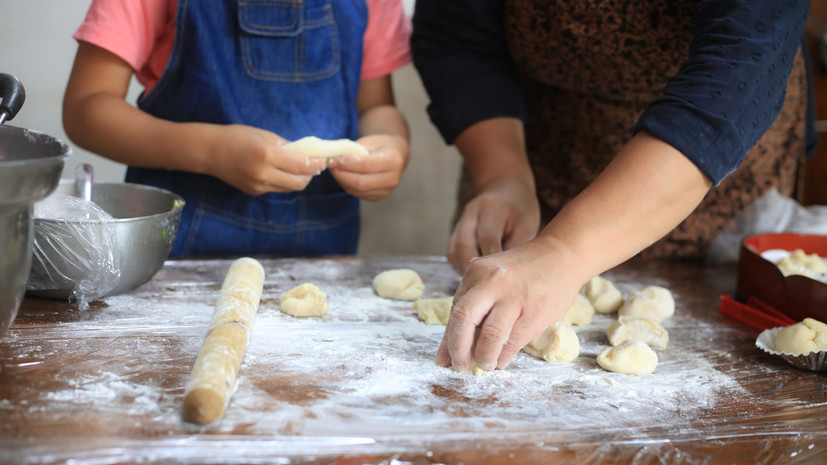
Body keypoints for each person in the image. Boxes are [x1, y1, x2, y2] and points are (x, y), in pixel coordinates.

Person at [411, 1, 816, 372]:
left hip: (713, 158)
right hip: (535, 137)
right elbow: (457, 40)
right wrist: (504, 176)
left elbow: (739, 67)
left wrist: (562, 250)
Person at [63, 0, 411, 257]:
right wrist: (211, 151)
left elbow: (375, 106)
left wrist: (393, 144)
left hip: (325, 254)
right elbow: (87, 108)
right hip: (178, 255)